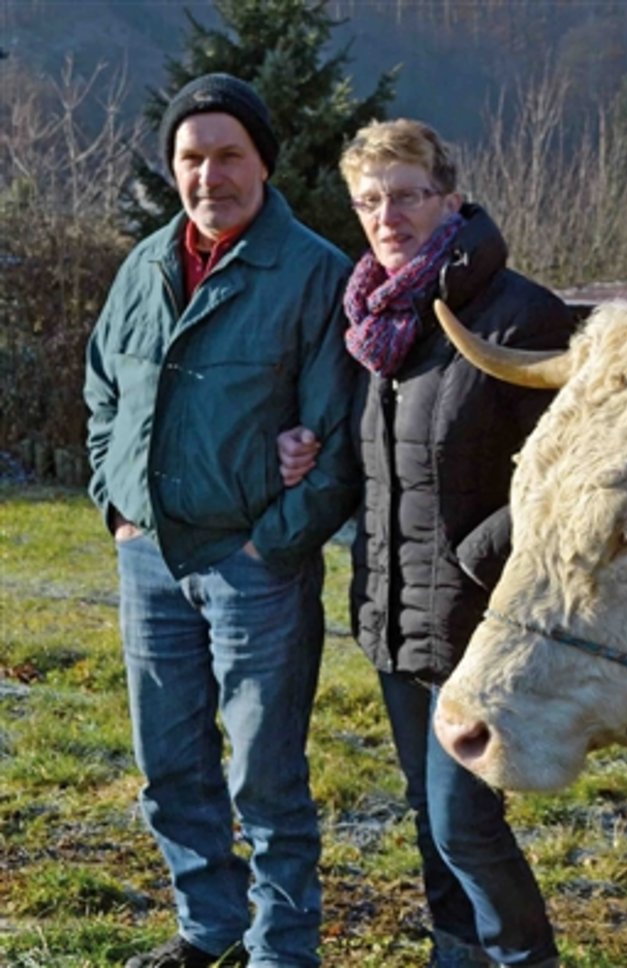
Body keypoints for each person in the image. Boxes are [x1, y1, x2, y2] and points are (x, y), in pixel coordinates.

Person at [277, 119, 572, 968]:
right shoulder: (377, 321)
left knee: (463, 823)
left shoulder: (519, 314)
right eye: (369, 200)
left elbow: (563, 479)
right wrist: (300, 449)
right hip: (395, 617)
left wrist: (474, 559)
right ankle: (458, 953)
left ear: (450, 197)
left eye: (405, 194)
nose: (387, 214)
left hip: (486, 622)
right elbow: (381, 465)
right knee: (428, 814)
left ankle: (525, 958)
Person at [83, 74, 361, 968]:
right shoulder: (144, 265)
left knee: (266, 776)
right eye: (191, 158)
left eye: (228, 155)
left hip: (255, 567)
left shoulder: (316, 273)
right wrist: (117, 504)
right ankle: (211, 929)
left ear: (263, 163)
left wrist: (273, 542)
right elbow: (100, 392)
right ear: (173, 170)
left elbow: (339, 440)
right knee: (170, 767)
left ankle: (284, 948)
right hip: (151, 558)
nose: (211, 176)